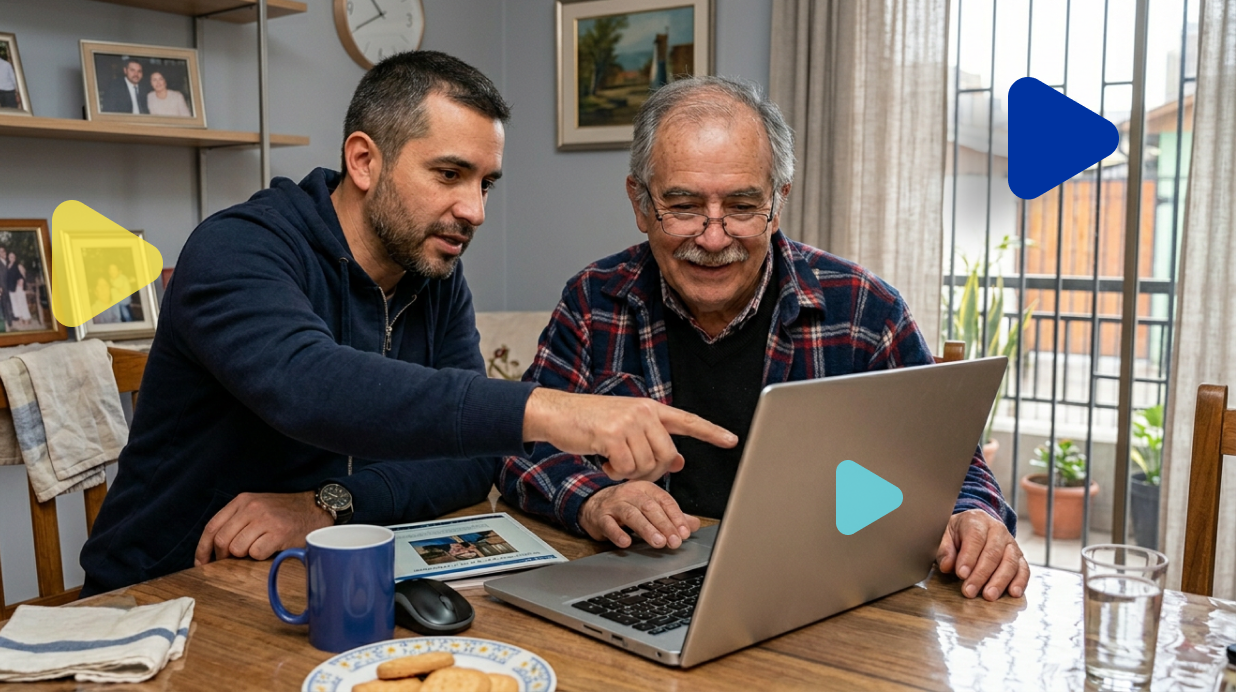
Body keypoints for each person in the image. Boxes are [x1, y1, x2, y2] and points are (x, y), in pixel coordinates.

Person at [78, 51, 736, 595]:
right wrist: (553, 410)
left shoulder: (435, 275)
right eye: (449, 174)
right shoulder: (237, 249)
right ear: (364, 161)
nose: (473, 209)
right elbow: (311, 387)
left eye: (485, 183)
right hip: (160, 587)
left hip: (308, 574)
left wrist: (327, 504)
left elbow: (471, 459)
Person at [499, 77, 1031, 603]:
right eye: (682, 207)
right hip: (642, 582)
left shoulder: (867, 308)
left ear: (777, 203)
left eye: (742, 207)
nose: (712, 237)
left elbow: (951, 461)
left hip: (822, 593)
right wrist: (597, 498)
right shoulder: (594, 300)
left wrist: (973, 516)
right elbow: (520, 447)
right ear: (640, 203)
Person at [6, 253, 31, 325]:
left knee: (22, 303)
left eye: (13, 256)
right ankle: (20, 318)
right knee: (15, 304)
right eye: (10, 256)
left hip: (18, 287)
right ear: (8, 257)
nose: (12, 258)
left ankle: (26, 318)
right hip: (11, 288)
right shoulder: (7, 266)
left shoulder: (18, 265)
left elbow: (24, 275)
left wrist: (22, 280)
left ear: (15, 257)